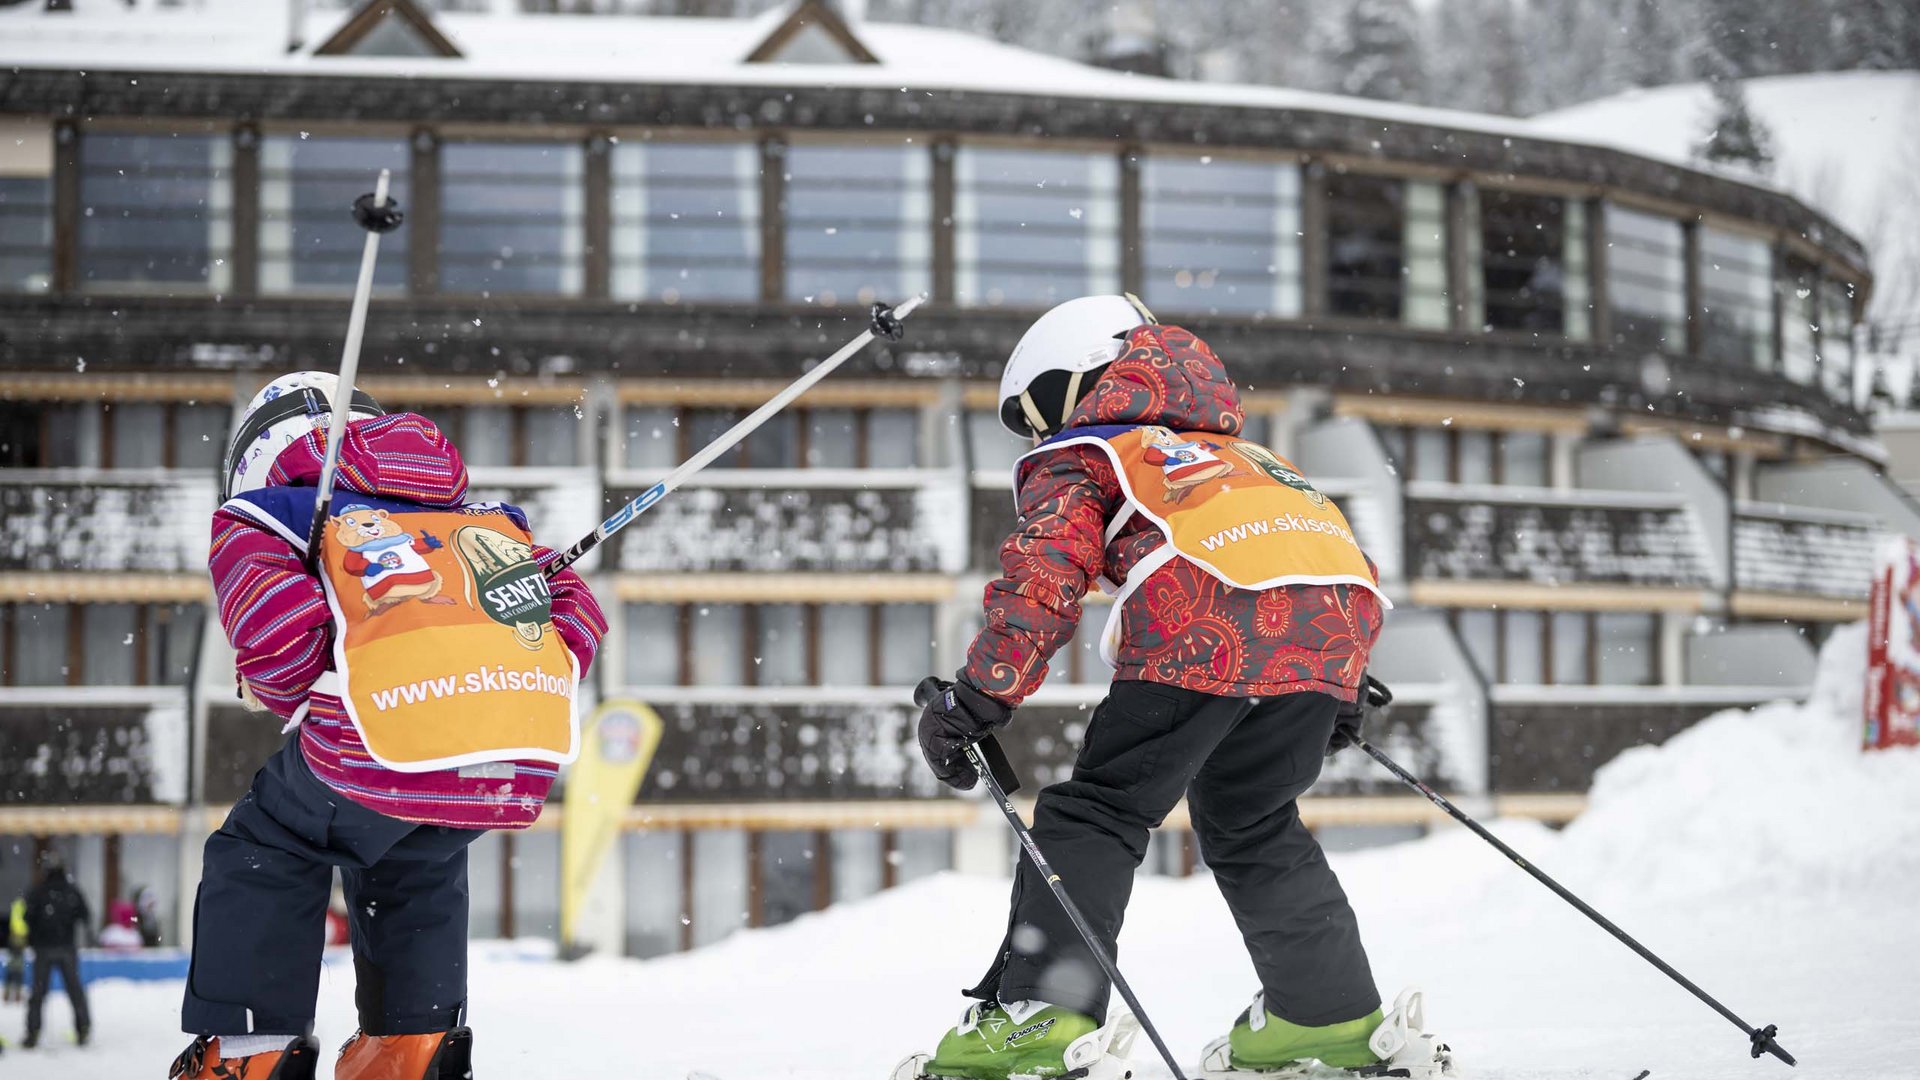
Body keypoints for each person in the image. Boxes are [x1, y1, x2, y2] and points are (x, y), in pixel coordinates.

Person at [902, 297, 1451, 1080]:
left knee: (1096, 812)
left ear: (1073, 382)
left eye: (1033, 415)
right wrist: (1338, 686)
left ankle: (1038, 1021)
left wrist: (980, 698)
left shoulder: (1093, 449)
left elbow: (1046, 575)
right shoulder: (1253, 458)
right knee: (1253, 820)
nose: (1034, 437)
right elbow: (1320, 562)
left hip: (1201, 622)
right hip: (1331, 628)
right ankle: (1323, 1020)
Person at [169, 372, 608, 1080]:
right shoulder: (477, 526)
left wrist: (321, 681)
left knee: (268, 844)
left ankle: (250, 1049)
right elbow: (574, 609)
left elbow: (277, 649)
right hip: (500, 753)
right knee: (417, 856)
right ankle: (414, 1044)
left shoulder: (272, 519)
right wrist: (505, 678)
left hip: (371, 743)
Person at [23, 857, 93, 1049]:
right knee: (75, 991)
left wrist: (35, 936)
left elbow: (26, 916)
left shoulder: (38, 891)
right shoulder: (72, 891)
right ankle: (83, 1028)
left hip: (43, 948)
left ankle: (33, 1032)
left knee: (38, 993)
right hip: (67, 948)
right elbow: (85, 915)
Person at [4, 895, 25, 1005]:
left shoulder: (15, 907)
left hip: (14, 937)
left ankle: (8, 993)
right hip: (20, 937)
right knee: (18, 968)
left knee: (12, 966)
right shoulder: (23, 907)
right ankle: (16, 993)